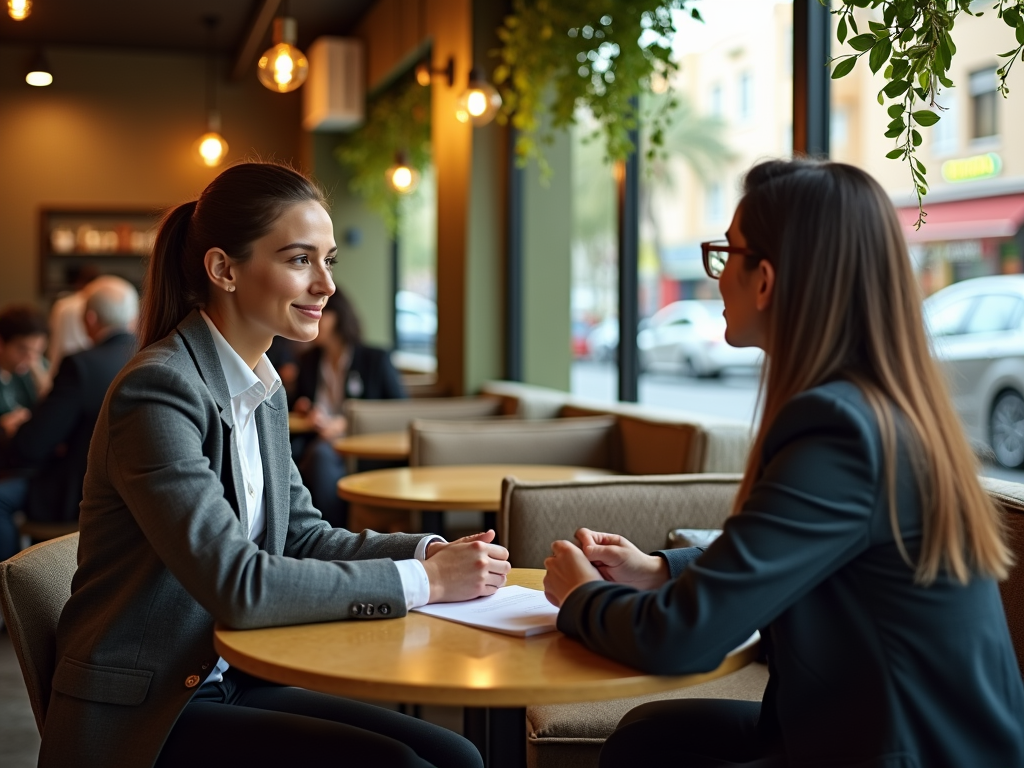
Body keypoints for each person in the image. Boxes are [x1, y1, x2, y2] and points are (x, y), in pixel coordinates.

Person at [543, 159, 1024, 768]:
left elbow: (684, 639)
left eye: (725, 254)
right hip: (872, 724)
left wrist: (580, 594)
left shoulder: (841, 431)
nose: (716, 276)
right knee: (650, 736)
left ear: (764, 279)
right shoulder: (875, 407)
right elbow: (807, 552)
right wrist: (662, 571)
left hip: (904, 748)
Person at [39, 162, 508, 768]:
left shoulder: (263, 389)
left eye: (328, 260)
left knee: (458, 755)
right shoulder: (158, 390)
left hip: (230, 678)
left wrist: (426, 553)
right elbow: (239, 585)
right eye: (298, 260)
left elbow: (305, 536)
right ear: (224, 270)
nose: (327, 285)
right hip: (149, 710)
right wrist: (429, 585)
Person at [0, 276, 137, 563]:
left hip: (78, 493)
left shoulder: (82, 365)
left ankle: (11, 595)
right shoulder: (153, 354)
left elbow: (30, 446)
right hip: (135, 496)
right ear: (133, 318)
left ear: (89, 319)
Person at [291, 287, 406, 527]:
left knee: (320, 458)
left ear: (336, 317)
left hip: (360, 446)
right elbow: (300, 400)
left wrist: (345, 424)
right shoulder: (309, 361)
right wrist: (306, 409)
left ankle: (330, 535)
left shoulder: (375, 359)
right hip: (317, 438)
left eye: (318, 310)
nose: (311, 316)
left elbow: (400, 410)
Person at [0, 304, 49, 437]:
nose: (30, 358)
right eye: (23, 349)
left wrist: (38, 374)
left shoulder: (38, 364)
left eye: (38, 351)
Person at [47, 263, 101, 376]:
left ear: (79, 283)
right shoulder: (95, 306)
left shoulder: (61, 304)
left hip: (59, 362)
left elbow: (52, 334)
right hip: (85, 364)